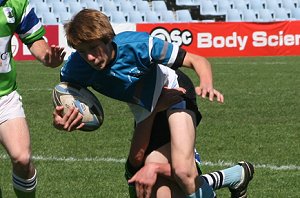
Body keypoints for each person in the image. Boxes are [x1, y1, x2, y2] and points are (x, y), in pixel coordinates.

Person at [53, 9, 224, 198]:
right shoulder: (75, 67)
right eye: (82, 52)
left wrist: (206, 84)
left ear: (108, 38)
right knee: (151, 185)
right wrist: (62, 119)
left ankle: (188, 160)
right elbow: (67, 97)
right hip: (144, 106)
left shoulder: (139, 45)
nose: (90, 58)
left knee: (184, 172)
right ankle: (231, 176)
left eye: (93, 48)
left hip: (173, 93)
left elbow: (196, 59)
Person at [125, 70, 254, 198]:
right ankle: (235, 175)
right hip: (159, 147)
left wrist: (154, 167)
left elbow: (184, 172)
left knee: (177, 176)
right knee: (163, 180)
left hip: (175, 99)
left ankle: (235, 175)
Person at [0, 0, 65, 197]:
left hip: (4, 97)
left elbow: (34, 40)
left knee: (22, 158)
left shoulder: (15, 3)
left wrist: (48, 57)